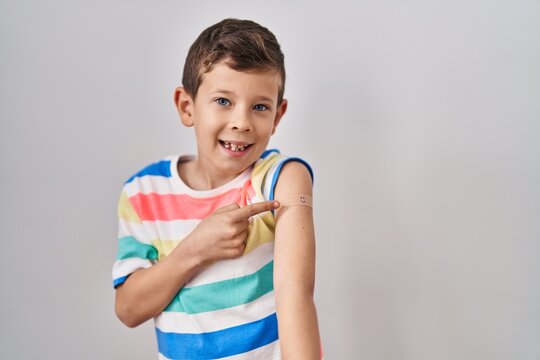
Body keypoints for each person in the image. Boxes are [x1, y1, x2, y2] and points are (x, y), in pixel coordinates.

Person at [112, 18, 322, 359]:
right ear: (186, 106)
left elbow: (294, 291)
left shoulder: (280, 179)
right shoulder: (143, 192)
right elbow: (129, 309)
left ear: (278, 117)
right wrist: (196, 248)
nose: (241, 121)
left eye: (259, 107)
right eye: (223, 101)